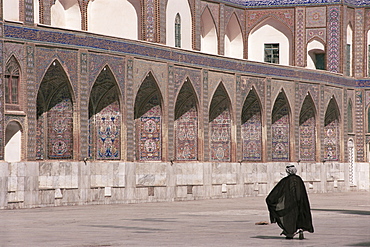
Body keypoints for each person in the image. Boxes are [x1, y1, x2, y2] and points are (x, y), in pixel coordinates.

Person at [265, 165, 314, 239]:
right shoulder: (299, 179)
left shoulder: (285, 181)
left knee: (290, 218)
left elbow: (277, 192)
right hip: (300, 203)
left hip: (290, 204)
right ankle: (300, 229)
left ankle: (290, 232)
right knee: (299, 216)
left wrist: (270, 199)